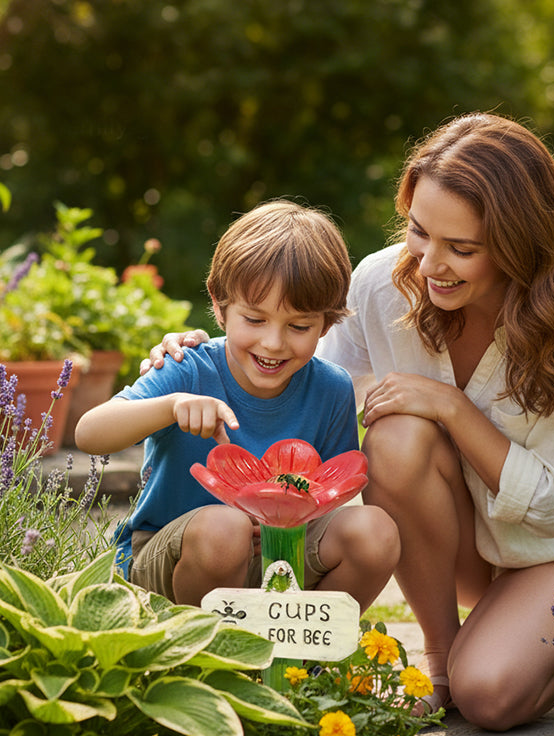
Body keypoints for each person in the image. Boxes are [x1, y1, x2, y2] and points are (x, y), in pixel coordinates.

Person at [143, 112, 554, 731]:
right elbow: (298, 388)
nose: (431, 264)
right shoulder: (382, 284)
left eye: (461, 249)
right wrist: (198, 358)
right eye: (419, 232)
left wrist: (451, 407)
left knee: (488, 696)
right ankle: (441, 657)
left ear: (521, 245)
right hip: (459, 549)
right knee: (396, 433)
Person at [76, 200, 399, 612]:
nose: (273, 343)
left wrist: (292, 520)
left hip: (279, 556)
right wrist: (172, 405)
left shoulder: (331, 388)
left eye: (299, 326)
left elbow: (332, 493)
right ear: (219, 306)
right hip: (176, 564)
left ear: (328, 323)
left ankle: (297, 655)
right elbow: (89, 433)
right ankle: (205, 660)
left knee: (376, 531)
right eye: (255, 319)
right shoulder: (187, 370)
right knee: (225, 528)